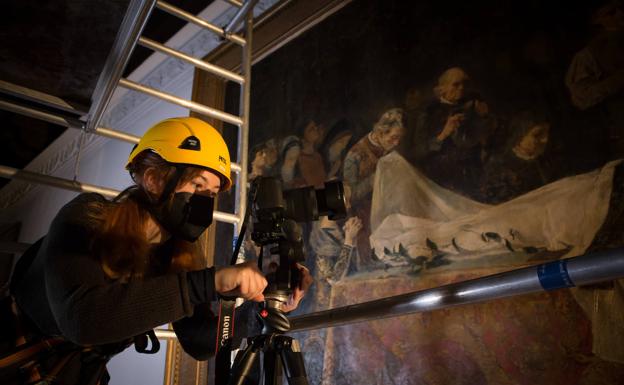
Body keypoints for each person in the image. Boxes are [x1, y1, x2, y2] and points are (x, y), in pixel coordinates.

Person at [7, 117, 310, 384]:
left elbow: (198, 340)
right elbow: (82, 320)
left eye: (212, 194)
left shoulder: (178, 254)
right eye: (197, 186)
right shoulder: (88, 217)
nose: (205, 201)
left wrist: (260, 312)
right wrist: (210, 282)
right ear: (153, 179)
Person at [411, 67, 496, 199]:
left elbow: (486, 144)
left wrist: (483, 118)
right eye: (456, 84)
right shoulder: (428, 112)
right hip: (439, 180)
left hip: (470, 179)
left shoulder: (474, 108)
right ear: (442, 88)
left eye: (465, 84)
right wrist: (443, 134)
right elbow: (418, 152)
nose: (462, 88)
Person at [343, 107, 405, 270]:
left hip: (388, 208)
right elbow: (351, 195)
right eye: (393, 138)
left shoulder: (388, 148)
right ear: (380, 133)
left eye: (398, 138)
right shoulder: (355, 155)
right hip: (365, 216)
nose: (396, 143)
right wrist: (376, 176)